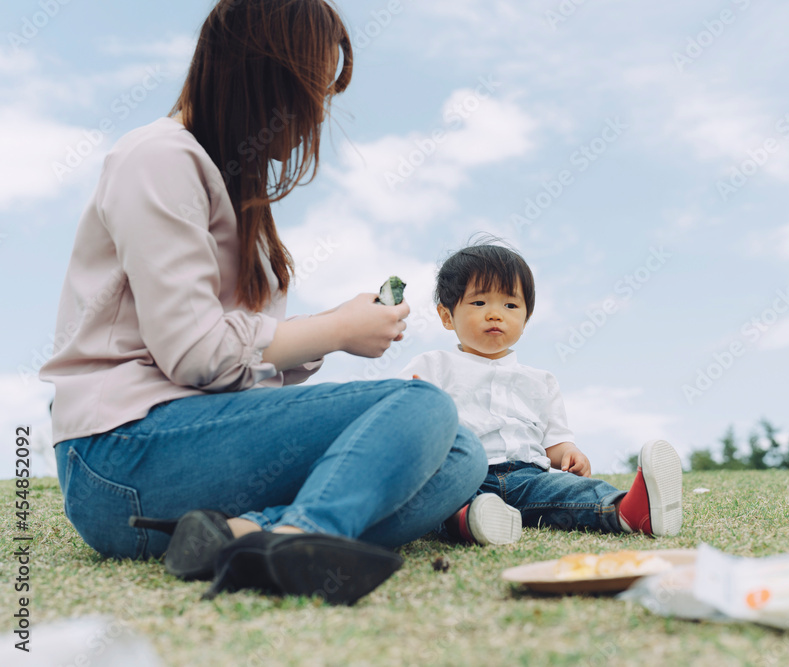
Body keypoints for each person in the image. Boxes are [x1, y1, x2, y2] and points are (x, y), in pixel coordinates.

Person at [38, 0, 487, 605]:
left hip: (178, 447)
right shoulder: (158, 159)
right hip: (120, 457)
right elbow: (196, 355)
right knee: (424, 406)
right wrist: (332, 330)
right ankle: (303, 534)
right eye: (311, 87)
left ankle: (244, 536)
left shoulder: (226, 180)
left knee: (463, 454)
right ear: (265, 76)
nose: (319, 111)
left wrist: (336, 330)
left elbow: (232, 358)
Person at [399, 242, 683, 546]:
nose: (495, 314)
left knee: (570, 491)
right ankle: (470, 520)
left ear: (525, 318)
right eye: (479, 303)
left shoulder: (540, 381)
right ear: (446, 316)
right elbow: (402, 415)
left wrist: (569, 454)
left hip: (529, 478)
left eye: (510, 305)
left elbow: (554, 442)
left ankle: (627, 511)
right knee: (438, 494)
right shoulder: (433, 365)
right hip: (464, 475)